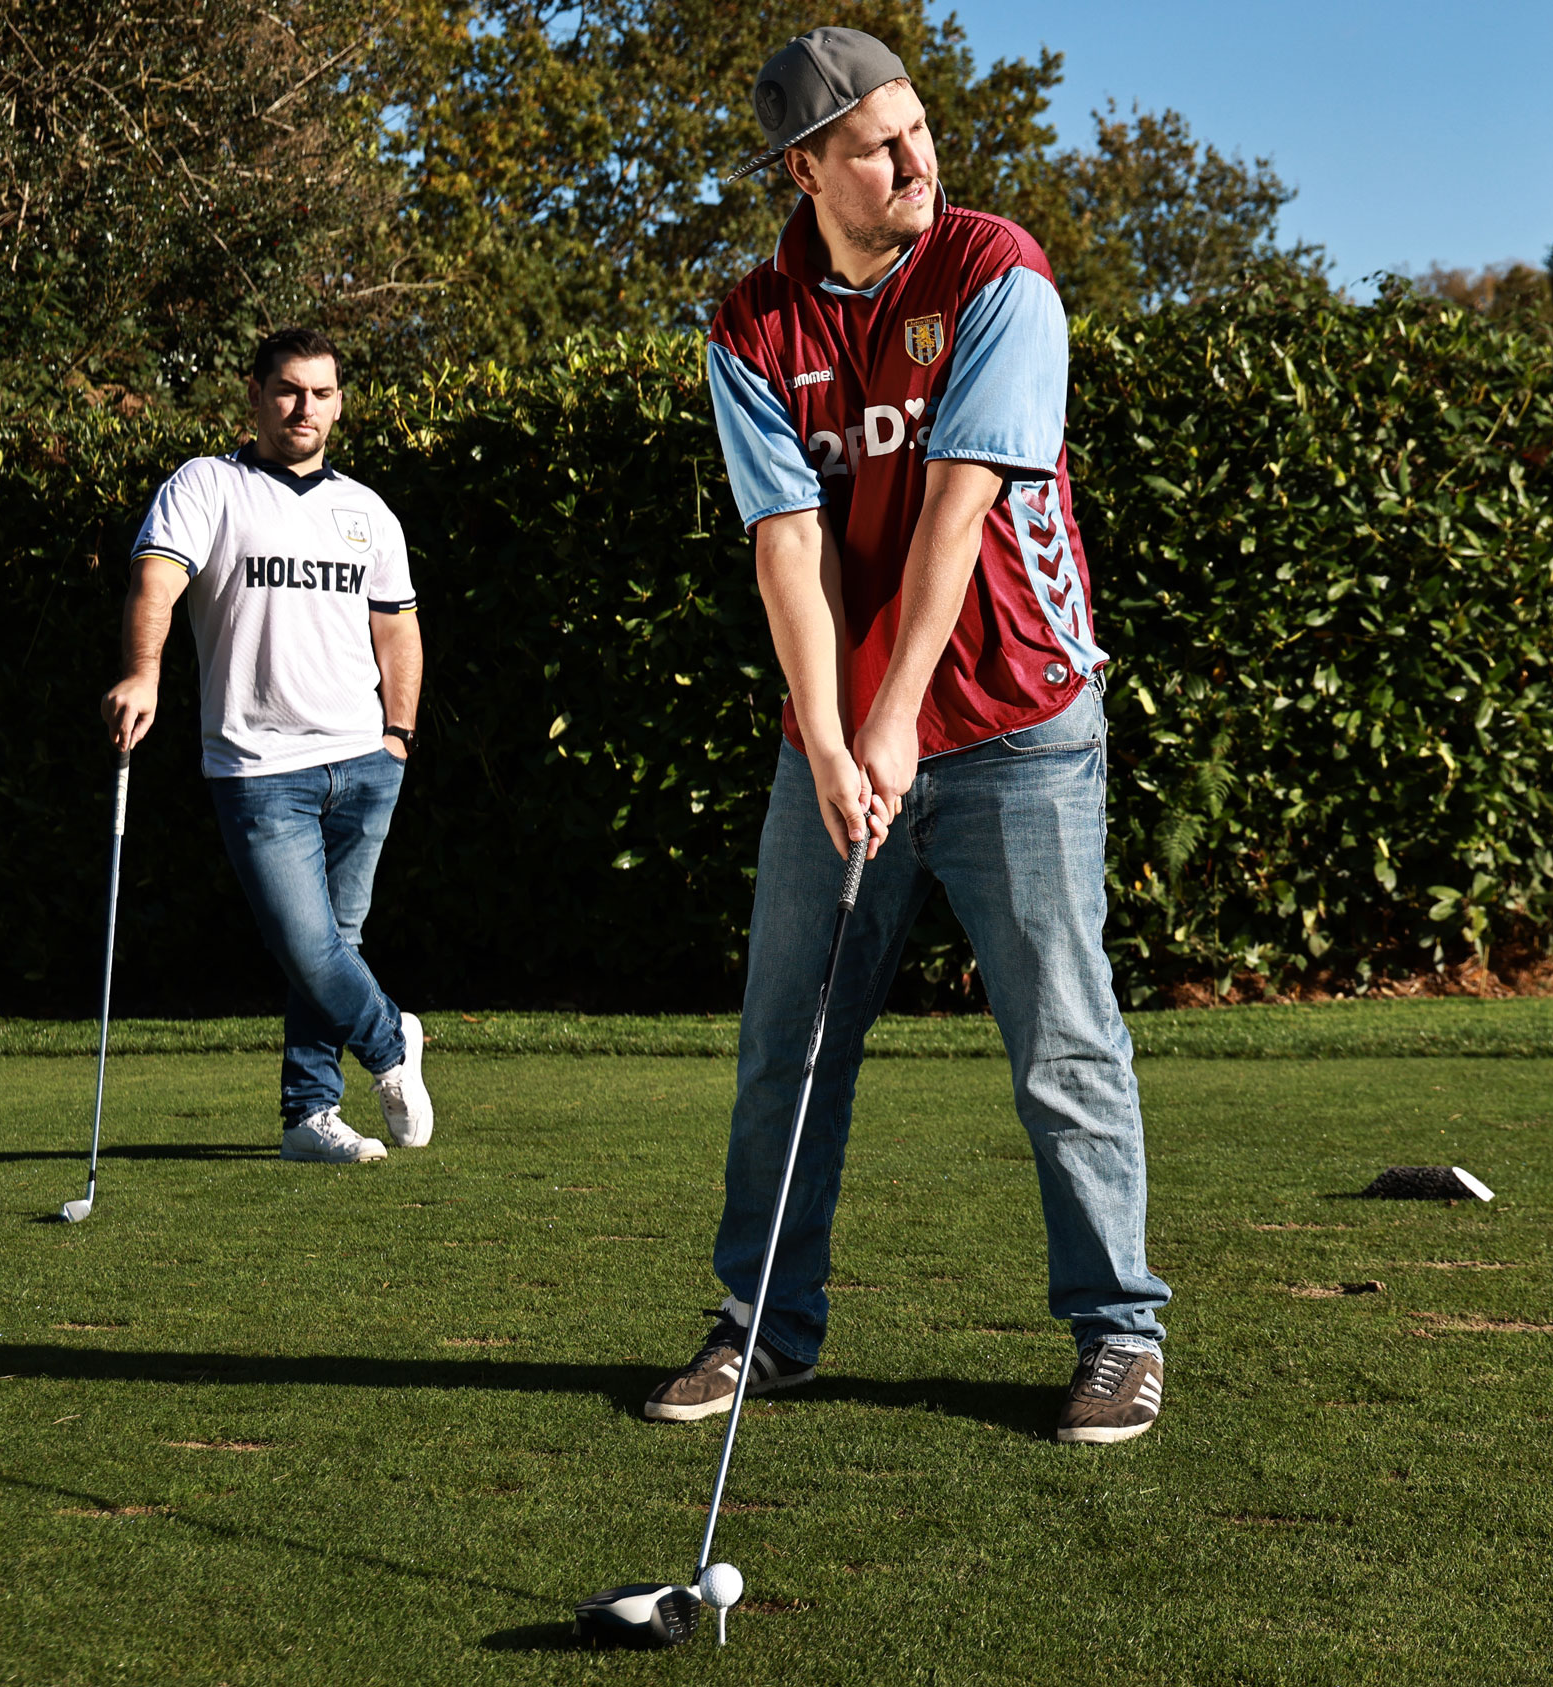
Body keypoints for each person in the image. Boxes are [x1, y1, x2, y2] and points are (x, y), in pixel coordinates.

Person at [643, 27, 1171, 1446]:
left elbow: (959, 509)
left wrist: (886, 724)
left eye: (921, 129)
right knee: (786, 1046)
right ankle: (762, 1326)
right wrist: (826, 738)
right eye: (880, 145)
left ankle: (1119, 1327)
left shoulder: (999, 269)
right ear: (806, 168)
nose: (918, 161)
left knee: (1062, 1036)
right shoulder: (751, 323)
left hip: (1018, 719)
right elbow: (788, 547)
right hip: (851, 743)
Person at [97, 328, 436, 1164]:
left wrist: (398, 734)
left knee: (335, 944)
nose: (304, 408)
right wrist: (143, 673)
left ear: (340, 403)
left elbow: (397, 628)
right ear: (253, 395)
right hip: (258, 767)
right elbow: (157, 583)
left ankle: (309, 1116)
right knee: (304, 941)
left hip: (363, 760)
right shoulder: (207, 486)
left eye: (321, 393)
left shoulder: (368, 510)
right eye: (287, 390)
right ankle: (393, 1040)